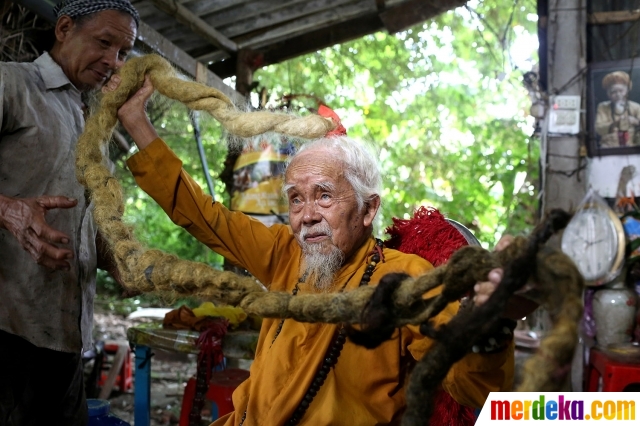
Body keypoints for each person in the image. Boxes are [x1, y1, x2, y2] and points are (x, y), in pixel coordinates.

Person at [107, 75, 535, 425]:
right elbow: (204, 217)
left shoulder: (403, 279)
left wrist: (491, 323)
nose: (306, 215)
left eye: (324, 196)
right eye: (296, 199)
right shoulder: (284, 255)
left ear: (369, 210)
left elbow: (468, 383)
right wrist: (135, 120)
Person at [0, 1, 139, 425]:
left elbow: (84, 218)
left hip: (65, 340)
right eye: (104, 43)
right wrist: (10, 211)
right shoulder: (13, 83)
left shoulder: (90, 122)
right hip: (7, 333)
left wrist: (121, 261)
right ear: (64, 28)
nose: (112, 61)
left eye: (122, 53)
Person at [595, 70, 640, 147]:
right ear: (608, 94)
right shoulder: (603, 107)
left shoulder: (636, 107)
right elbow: (598, 129)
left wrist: (635, 121)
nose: (618, 94)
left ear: (627, 91)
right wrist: (615, 124)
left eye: (621, 91)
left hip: (632, 147)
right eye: (613, 92)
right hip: (609, 147)